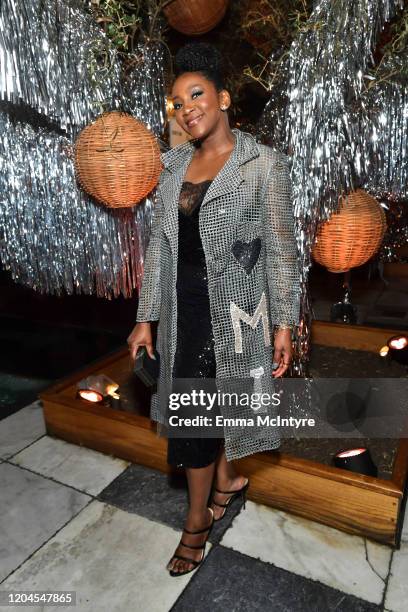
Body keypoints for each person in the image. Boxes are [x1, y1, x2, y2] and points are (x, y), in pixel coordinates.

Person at [127, 42, 300, 577]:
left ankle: (225, 482)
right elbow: (159, 248)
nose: (186, 107)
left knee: (234, 406)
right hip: (185, 313)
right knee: (194, 421)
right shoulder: (173, 163)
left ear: (223, 98)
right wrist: (144, 316)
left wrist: (284, 322)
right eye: (177, 101)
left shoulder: (261, 163)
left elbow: (279, 246)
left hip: (239, 315)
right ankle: (197, 518)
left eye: (196, 94)